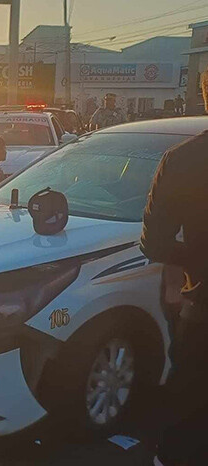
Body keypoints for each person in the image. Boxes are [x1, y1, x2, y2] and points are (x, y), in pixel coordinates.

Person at [142, 69, 208, 466]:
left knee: (184, 430)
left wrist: (194, 260)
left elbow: (155, 243)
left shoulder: (182, 160)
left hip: (202, 315)